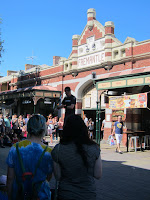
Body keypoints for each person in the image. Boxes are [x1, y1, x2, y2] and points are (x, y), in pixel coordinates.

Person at [51, 115, 102, 200]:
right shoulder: (94, 148)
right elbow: (98, 175)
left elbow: (58, 176)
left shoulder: (58, 149)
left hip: (66, 194)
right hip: (88, 194)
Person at [6, 114, 53, 200]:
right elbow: (48, 176)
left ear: (28, 128)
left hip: (19, 194)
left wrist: (9, 196)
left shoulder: (15, 148)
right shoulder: (48, 152)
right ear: (43, 130)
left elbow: (10, 178)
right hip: (41, 195)